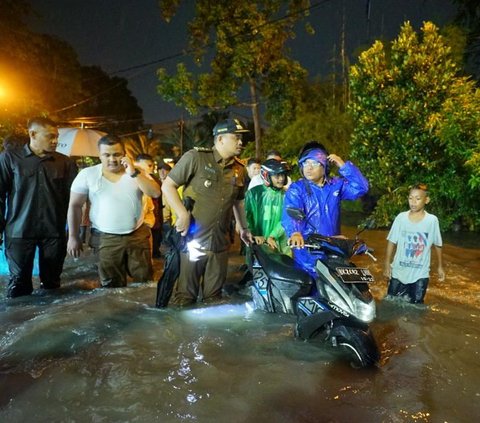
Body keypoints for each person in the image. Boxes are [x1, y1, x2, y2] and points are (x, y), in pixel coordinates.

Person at [161, 118, 253, 306]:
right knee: (185, 298)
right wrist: (182, 214)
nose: (241, 142)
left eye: (241, 138)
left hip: (220, 243)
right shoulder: (195, 158)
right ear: (220, 139)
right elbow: (167, 186)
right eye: (236, 138)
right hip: (192, 241)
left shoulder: (239, 169)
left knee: (214, 299)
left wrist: (243, 228)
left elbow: (238, 203)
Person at [67, 135, 161, 287]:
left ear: (124, 154)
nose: (112, 159)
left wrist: (134, 173)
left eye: (117, 154)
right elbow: (75, 206)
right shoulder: (87, 175)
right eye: (107, 155)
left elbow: (155, 193)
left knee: (145, 283)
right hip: (105, 238)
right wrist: (73, 236)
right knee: (111, 287)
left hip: (137, 235)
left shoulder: (137, 172)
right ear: (99, 155)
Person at [0, 117, 77, 298]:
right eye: (51, 136)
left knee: (52, 285)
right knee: (19, 285)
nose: (56, 141)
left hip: (54, 233)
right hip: (19, 231)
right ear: (32, 134)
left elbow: (74, 201)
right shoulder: (9, 158)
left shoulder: (65, 163)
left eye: (57, 137)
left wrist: (75, 233)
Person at [281, 141, 369, 277]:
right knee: (310, 289)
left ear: (325, 166)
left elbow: (361, 188)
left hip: (333, 247)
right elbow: (291, 211)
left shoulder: (336, 185)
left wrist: (343, 165)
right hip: (308, 251)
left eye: (314, 163)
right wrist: (295, 232)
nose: (308, 168)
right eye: (305, 163)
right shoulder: (297, 189)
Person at [383, 183, 445, 304]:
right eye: (410, 198)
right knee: (390, 304)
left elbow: (437, 244)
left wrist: (440, 266)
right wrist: (386, 264)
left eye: (418, 199)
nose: (413, 202)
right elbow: (391, 241)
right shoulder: (401, 218)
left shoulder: (431, 221)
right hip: (398, 271)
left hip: (420, 274)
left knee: (416, 308)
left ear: (426, 200)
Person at [245, 159, 291, 255]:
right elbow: (247, 216)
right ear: (266, 176)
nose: (281, 178)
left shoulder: (288, 195)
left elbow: (287, 219)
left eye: (283, 175)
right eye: (277, 175)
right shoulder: (254, 193)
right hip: (257, 242)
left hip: (280, 244)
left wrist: (273, 236)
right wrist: (254, 235)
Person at [134, 153, 163, 259]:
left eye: (152, 166)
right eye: (149, 165)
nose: (151, 168)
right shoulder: (131, 179)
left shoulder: (154, 180)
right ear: (138, 164)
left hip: (154, 220)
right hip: (141, 223)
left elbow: (158, 198)